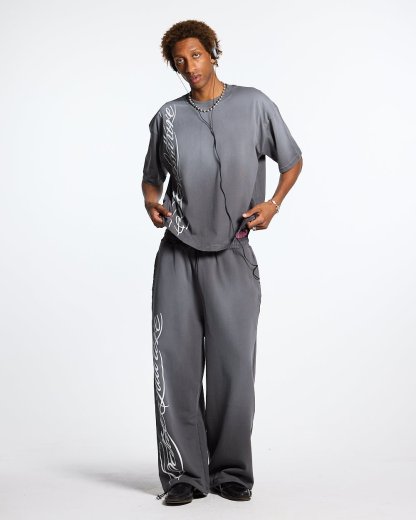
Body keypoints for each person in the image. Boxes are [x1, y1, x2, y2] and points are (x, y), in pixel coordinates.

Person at [141, 19, 303, 506]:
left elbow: (292, 160)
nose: (189, 67)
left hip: (233, 252)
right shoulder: (168, 117)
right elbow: (151, 178)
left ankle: (231, 471)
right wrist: (151, 202)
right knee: (176, 366)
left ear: (213, 52)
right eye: (179, 62)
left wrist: (273, 203)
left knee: (233, 367)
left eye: (195, 55)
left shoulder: (254, 105)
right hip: (177, 254)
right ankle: (184, 475)